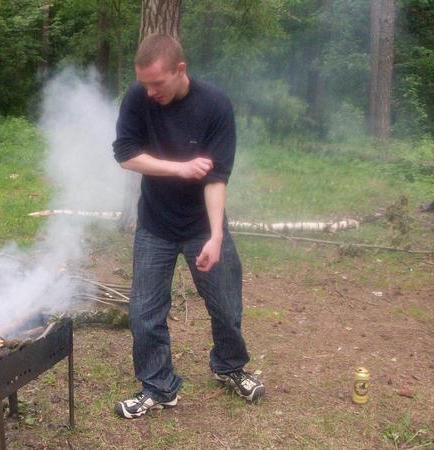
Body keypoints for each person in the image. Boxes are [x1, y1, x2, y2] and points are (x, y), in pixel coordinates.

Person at [112, 34, 265, 419]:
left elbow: (216, 178)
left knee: (226, 305)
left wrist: (215, 236)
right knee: (144, 313)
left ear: (180, 70)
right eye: (144, 83)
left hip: (202, 224)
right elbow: (125, 154)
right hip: (155, 223)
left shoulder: (214, 105)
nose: (150, 92)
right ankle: (158, 386)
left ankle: (229, 366)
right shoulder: (138, 98)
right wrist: (178, 168)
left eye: (157, 83)